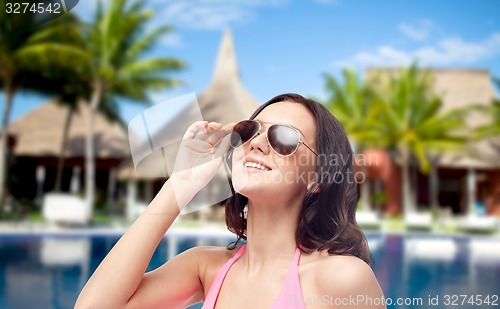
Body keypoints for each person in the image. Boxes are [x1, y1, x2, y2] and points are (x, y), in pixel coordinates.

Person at [75, 93, 385, 309]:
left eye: (284, 138)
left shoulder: (341, 279)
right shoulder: (205, 268)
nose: (257, 143)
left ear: (317, 178)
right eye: (249, 131)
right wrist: (181, 184)